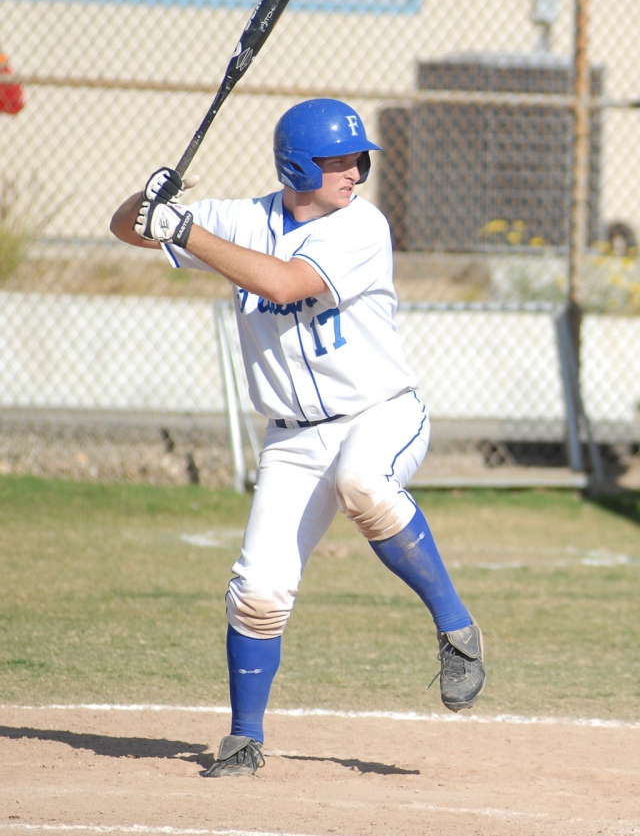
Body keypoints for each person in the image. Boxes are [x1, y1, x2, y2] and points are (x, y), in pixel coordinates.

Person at [110, 98, 485, 778]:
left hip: (380, 413)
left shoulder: (363, 226)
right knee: (258, 590)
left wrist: (184, 229)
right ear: (295, 166)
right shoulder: (242, 221)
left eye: (356, 159)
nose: (352, 172)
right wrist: (152, 199)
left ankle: (457, 629)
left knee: (363, 484)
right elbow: (126, 229)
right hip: (291, 437)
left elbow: (284, 282)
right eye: (336, 161)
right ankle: (243, 739)